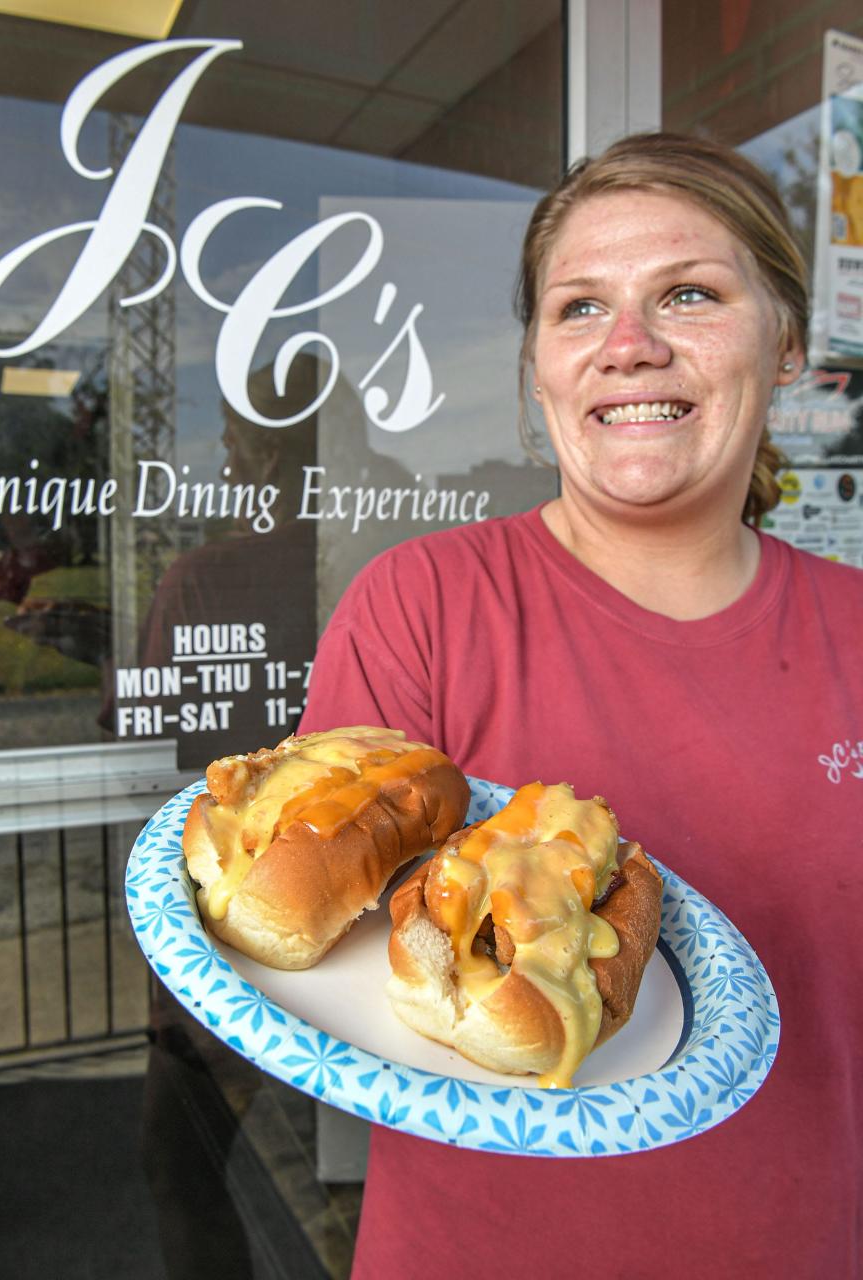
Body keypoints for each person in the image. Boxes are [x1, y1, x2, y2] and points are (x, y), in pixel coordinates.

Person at [297, 132, 863, 1278]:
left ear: (788, 343)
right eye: (580, 309)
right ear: (537, 363)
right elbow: (326, 973)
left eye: (690, 295)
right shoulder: (421, 605)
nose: (630, 347)